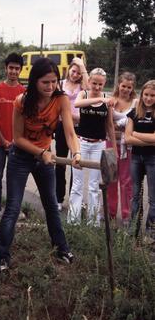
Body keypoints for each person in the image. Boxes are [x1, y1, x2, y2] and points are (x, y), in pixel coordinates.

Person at [0, 57, 81, 272]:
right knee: (13, 208)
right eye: (45, 82)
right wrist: (41, 152)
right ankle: (1, 257)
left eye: (54, 81)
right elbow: (18, 138)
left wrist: (76, 152)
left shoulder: (60, 100)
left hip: (45, 159)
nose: (51, 87)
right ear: (34, 82)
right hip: (20, 158)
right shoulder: (22, 101)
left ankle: (61, 248)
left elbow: (69, 132)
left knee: (51, 205)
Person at [69, 68, 117, 225]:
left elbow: (109, 125)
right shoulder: (84, 94)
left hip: (99, 144)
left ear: (104, 84)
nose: (97, 87)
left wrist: (114, 149)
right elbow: (77, 103)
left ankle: (93, 222)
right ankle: (73, 220)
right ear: (89, 82)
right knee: (77, 183)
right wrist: (100, 100)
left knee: (94, 185)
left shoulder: (107, 100)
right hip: (81, 142)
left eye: (100, 84)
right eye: (94, 83)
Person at [0, 53, 25, 222]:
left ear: (20, 70)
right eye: (11, 68)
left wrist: (17, 140)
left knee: (16, 179)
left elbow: (26, 118)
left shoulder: (24, 92)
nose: (13, 71)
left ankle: (14, 209)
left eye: (17, 68)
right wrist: (3, 140)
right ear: (6, 68)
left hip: (18, 144)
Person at [55, 57, 88, 211]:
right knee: (61, 163)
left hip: (79, 127)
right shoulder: (60, 84)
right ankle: (58, 198)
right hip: (62, 127)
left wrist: (82, 66)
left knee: (76, 163)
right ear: (69, 70)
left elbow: (88, 86)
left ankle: (74, 199)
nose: (75, 74)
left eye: (78, 72)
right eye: (73, 71)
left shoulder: (83, 87)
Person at [125, 80, 155, 238]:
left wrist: (136, 134)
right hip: (136, 157)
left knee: (153, 197)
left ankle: (151, 232)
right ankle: (133, 228)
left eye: (152, 95)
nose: (149, 98)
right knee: (135, 195)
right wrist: (148, 139)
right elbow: (127, 139)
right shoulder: (134, 113)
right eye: (146, 95)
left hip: (152, 158)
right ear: (142, 94)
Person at [106, 72, 137, 224]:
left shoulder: (136, 103)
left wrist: (121, 127)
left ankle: (126, 214)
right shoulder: (111, 101)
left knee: (126, 181)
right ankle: (111, 212)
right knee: (111, 179)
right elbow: (106, 123)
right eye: (123, 86)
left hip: (127, 147)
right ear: (118, 85)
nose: (125, 89)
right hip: (110, 144)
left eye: (129, 87)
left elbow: (135, 123)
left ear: (133, 88)